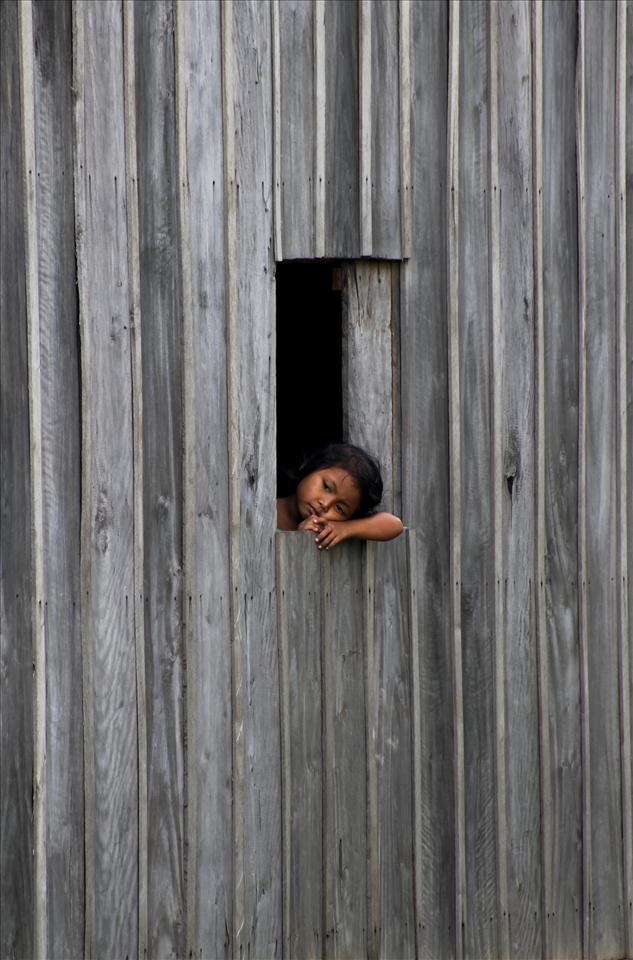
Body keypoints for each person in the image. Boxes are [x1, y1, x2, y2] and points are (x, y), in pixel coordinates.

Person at [276, 442, 403, 550]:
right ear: (308, 466)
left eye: (339, 508)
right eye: (326, 487)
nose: (325, 505)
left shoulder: (325, 528)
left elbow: (395, 525)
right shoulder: (260, 510)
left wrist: (345, 529)